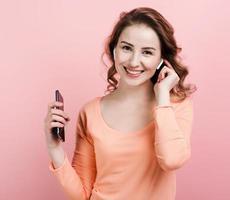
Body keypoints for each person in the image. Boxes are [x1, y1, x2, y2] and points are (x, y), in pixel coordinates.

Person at [44, 7, 197, 200]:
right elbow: (81, 194)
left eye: (147, 52)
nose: (134, 61)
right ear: (114, 50)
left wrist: (162, 98)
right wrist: (54, 148)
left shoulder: (176, 105)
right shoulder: (90, 112)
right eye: (126, 48)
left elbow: (172, 160)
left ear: (161, 59)